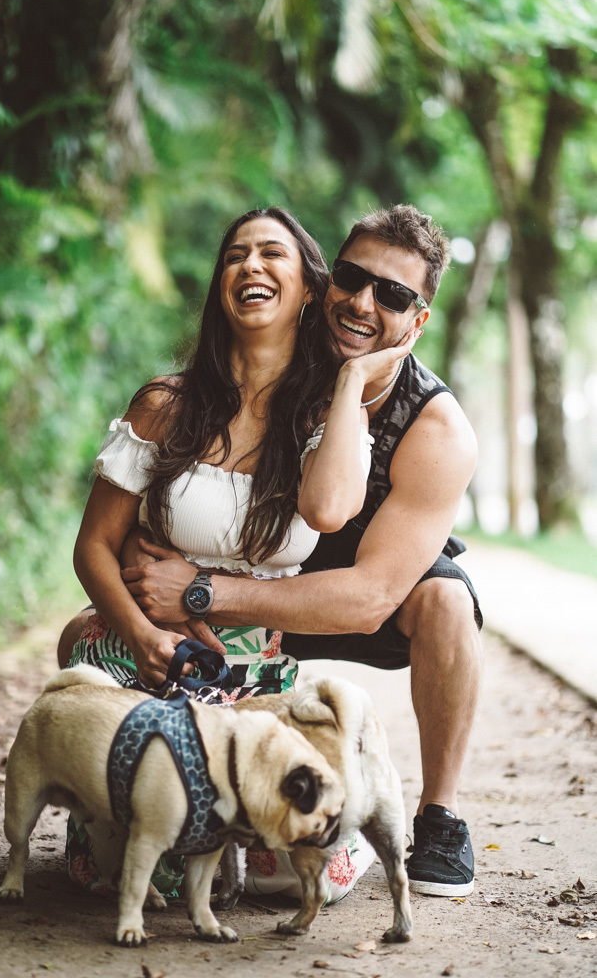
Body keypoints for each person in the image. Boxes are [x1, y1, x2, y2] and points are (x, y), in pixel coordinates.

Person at [122, 204, 483, 899]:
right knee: (99, 631)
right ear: (323, 280)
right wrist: (145, 573)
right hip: (256, 558)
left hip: (350, 587)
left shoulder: (435, 427)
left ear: (417, 322)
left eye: (392, 295)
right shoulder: (278, 345)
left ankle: (440, 816)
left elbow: (371, 597)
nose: (363, 303)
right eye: (351, 277)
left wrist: (202, 591)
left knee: (447, 599)